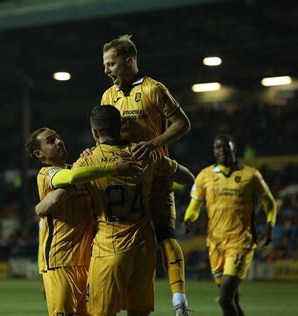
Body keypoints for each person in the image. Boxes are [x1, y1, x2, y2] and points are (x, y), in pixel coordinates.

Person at [100, 34, 192, 315]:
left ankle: (179, 300)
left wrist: (152, 144)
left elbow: (183, 123)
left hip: (157, 172)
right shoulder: (108, 96)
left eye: (111, 64)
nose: (106, 70)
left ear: (128, 61)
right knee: (120, 236)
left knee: (165, 232)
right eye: (105, 65)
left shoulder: (154, 89)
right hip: (124, 178)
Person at [73, 105, 194, 316]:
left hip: (109, 249)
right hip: (143, 249)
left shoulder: (88, 161)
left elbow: (66, 186)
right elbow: (188, 178)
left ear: (94, 133)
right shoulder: (144, 154)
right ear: (121, 127)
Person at [26, 127, 142, 316]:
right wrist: (114, 166)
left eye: (58, 137)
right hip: (61, 260)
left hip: (90, 260)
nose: (58, 141)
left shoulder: (80, 169)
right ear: (39, 154)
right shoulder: (46, 174)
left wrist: (88, 160)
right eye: (50, 141)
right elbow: (71, 179)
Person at [184, 135, 277, 316]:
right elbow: (194, 206)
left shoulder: (251, 175)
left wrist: (270, 227)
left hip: (241, 242)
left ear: (234, 149)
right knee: (232, 299)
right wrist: (188, 219)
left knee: (224, 298)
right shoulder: (205, 176)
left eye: (225, 147)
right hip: (215, 243)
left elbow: (270, 203)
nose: (222, 150)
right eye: (217, 147)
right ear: (213, 151)